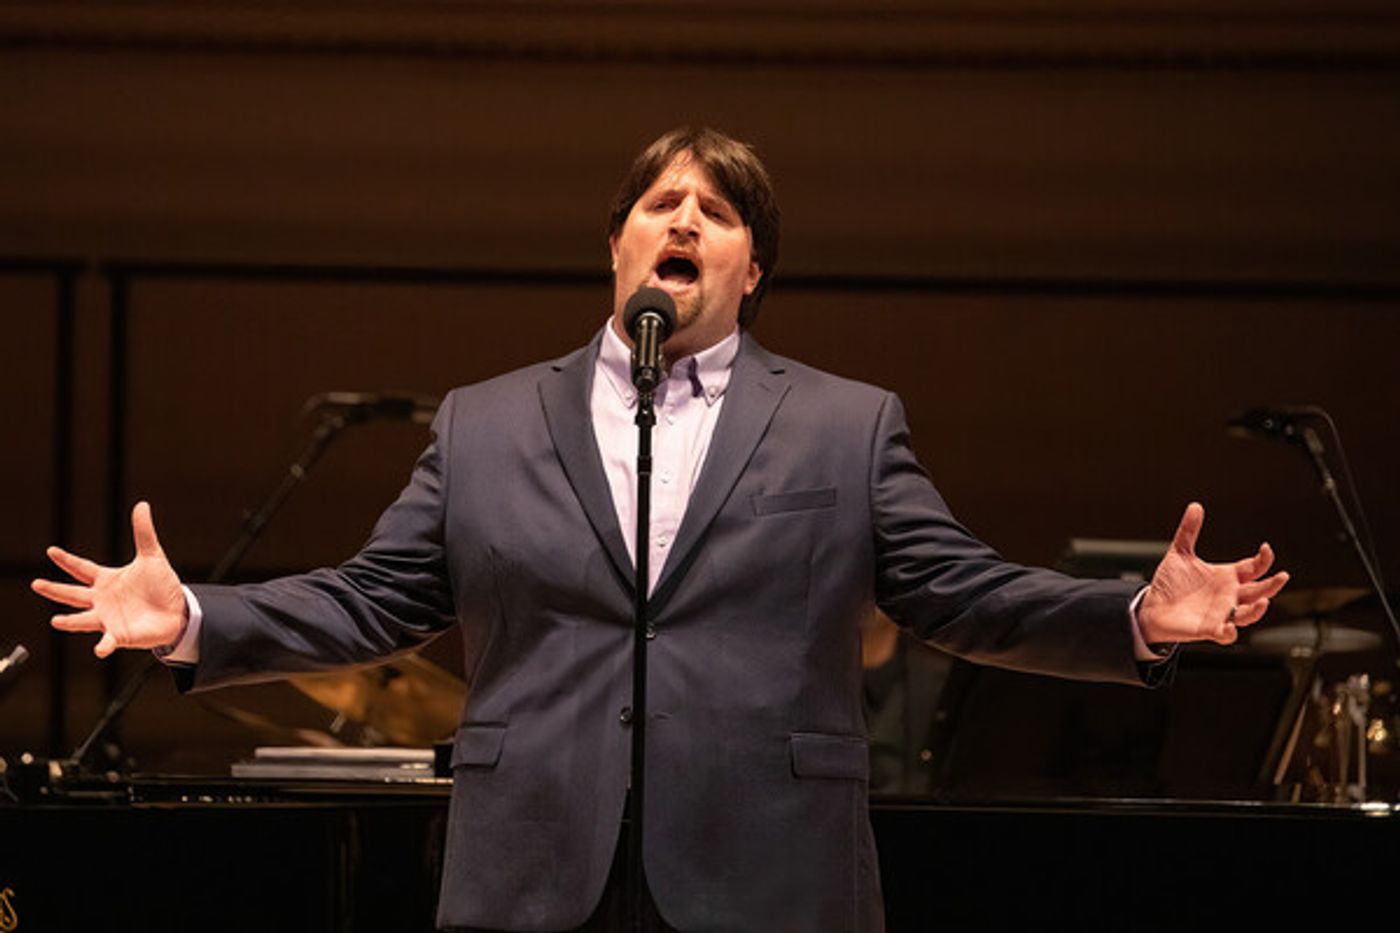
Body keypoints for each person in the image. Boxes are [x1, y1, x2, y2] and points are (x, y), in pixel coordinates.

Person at [33, 127, 1288, 932]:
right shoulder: (483, 424)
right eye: (658, 201)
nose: (682, 218)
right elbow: (371, 599)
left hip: (770, 876)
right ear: (615, 247)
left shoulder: (845, 428)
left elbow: (960, 595)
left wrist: (1131, 617)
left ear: (753, 271)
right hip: (532, 874)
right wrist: (195, 618)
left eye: (718, 210)